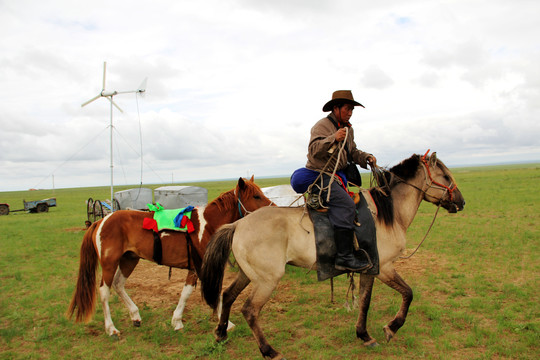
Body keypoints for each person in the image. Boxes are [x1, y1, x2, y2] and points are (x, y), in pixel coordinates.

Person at [291, 90, 377, 271]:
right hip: (320, 174)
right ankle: (344, 257)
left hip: (337, 176)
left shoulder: (348, 129)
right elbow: (314, 150)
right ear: (336, 108)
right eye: (347, 108)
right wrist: (333, 138)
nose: (350, 112)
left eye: (352, 109)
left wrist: (366, 157)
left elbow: (352, 152)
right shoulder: (321, 126)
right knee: (346, 205)